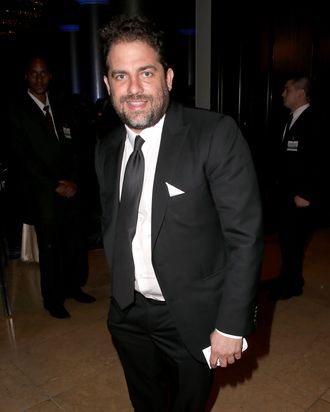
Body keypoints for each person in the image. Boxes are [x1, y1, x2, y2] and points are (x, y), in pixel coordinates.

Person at [95, 15, 263, 411]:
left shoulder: (214, 134)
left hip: (190, 315)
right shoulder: (104, 148)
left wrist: (231, 324)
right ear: (107, 84)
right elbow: (114, 224)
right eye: (120, 76)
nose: (133, 89)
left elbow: (245, 236)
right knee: (146, 402)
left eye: (146, 73)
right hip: (126, 312)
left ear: (168, 78)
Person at [7, 55, 96, 319]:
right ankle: (53, 299)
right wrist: (54, 184)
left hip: (69, 186)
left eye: (43, 73)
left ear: (50, 76)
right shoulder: (16, 109)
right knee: (50, 247)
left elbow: (76, 145)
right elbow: (22, 156)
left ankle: (73, 287)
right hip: (42, 190)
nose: (39, 78)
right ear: (26, 76)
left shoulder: (61, 104)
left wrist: (74, 180)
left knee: (73, 241)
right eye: (33, 73)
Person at [269, 74, 322, 301]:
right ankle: (291, 279)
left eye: (287, 89)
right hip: (285, 193)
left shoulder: (314, 120)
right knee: (288, 239)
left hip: (299, 196)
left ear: (300, 93)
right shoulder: (290, 118)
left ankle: (290, 284)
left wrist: (306, 192)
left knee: (293, 240)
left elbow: (319, 159)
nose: (283, 93)